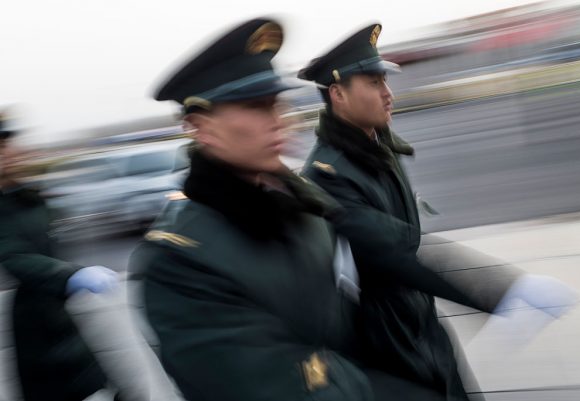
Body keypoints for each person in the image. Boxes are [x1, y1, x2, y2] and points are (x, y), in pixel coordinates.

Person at [128, 18, 500, 401]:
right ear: (200, 127)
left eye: (277, 103)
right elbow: (272, 383)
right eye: (255, 106)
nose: (279, 120)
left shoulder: (299, 204)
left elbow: (352, 308)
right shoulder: (178, 260)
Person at [298, 24, 578, 401]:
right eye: (374, 83)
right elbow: (398, 250)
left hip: (426, 334)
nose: (388, 93)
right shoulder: (326, 177)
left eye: (385, 81)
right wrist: (502, 290)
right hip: (386, 354)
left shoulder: (378, 148)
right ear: (338, 94)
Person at [0, 113, 120, 401]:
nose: (9, 153)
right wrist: (70, 275)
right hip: (37, 320)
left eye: (7, 144)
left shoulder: (26, 196)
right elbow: (13, 255)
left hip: (62, 310)